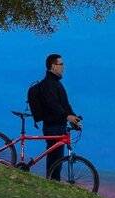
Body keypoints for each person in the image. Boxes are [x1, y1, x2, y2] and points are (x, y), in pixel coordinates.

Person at [32, 53, 83, 181]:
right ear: (53, 66)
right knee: (55, 159)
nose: (63, 67)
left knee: (57, 159)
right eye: (61, 64)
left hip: (58, 126)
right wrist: (67, 116)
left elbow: (65, 105)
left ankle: (53, 182)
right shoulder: (49, 84)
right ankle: (52, 183)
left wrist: (73, 119)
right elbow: (53, 105)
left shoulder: (56, 84)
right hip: (52, 126)